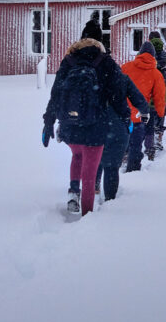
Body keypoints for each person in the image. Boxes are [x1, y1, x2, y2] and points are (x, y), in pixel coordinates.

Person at [43, 20, 149, 216]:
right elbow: (118, 97)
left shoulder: (69, 60)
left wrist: (48, 121)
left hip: (70, 124)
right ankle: (87, 216)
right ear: (100, 40)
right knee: (90, 173)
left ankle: (74, 192)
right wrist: (126, 121)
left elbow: (56, 93)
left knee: (76, 156)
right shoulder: (106, 62)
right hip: (95, 126)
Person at [121, 41, 166, 170]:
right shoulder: (155, 73)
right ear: (153, 56)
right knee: (136, 144)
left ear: (139, 53)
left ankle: (120, 160)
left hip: (123, 112)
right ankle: (133, 169)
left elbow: (115, 87)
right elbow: (159, 97)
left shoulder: (125, 67)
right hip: (140, 113)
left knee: (122, 139)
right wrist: (160, 113)